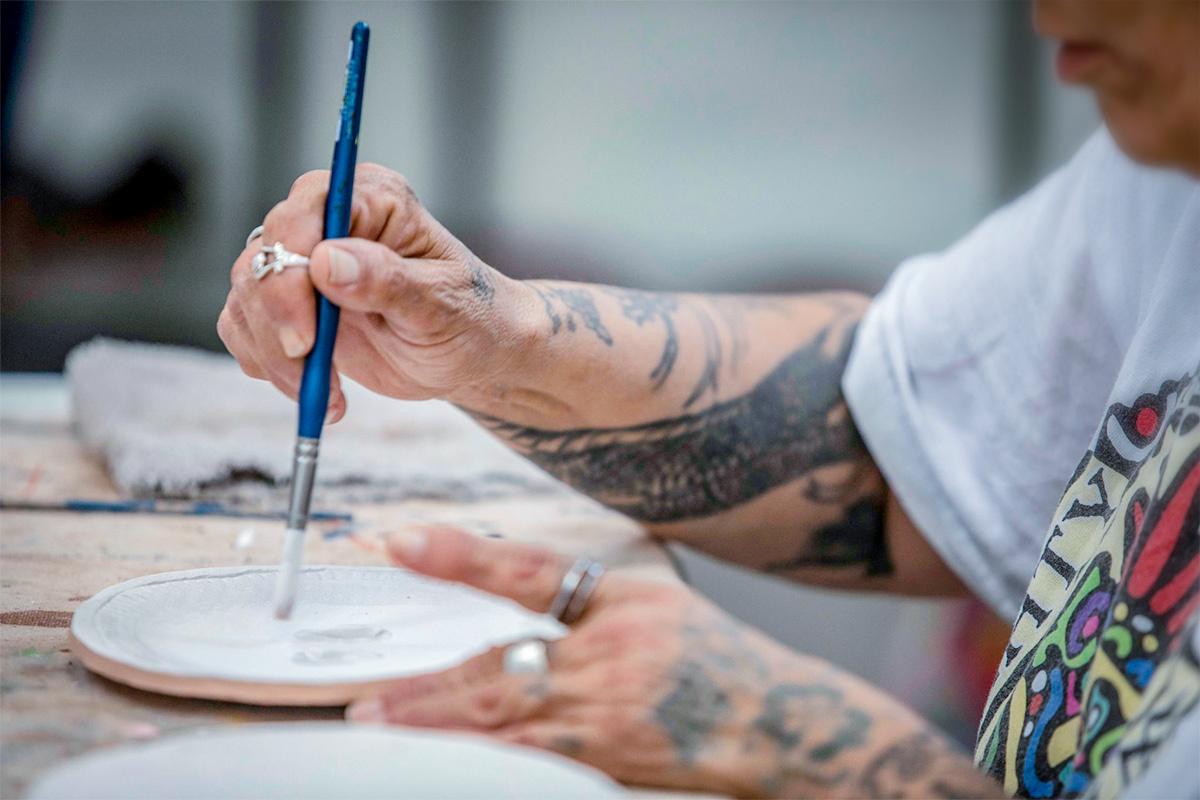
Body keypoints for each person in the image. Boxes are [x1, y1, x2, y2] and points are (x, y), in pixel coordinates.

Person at [218, 1, 1199, 796]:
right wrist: (486, 334)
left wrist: (826, 754)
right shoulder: (1166, 181)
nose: (1049, 12)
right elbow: (883, 438)